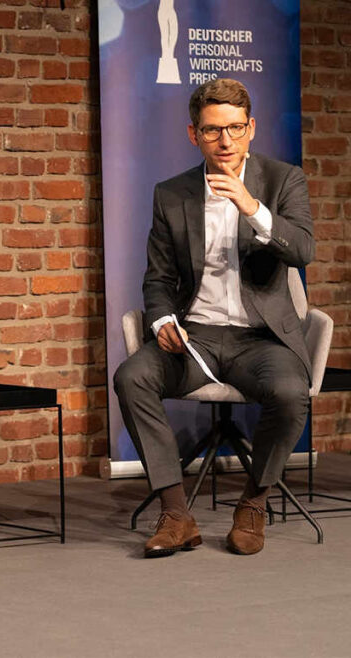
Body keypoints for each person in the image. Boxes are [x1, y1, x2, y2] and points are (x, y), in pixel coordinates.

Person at [114, 78, 314, 557]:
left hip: (260, 339)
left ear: (251, 129)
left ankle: (254, 502)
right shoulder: (171, 193)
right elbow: (157, 277)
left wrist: (251, 206)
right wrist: (162, 321)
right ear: (193, 135)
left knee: (290, 393)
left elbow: (303, 250)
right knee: (131, 378)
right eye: (211, 131)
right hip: (196, 336)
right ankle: (176, 513)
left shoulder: (284, 180)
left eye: (235, 128)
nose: (225, 141)